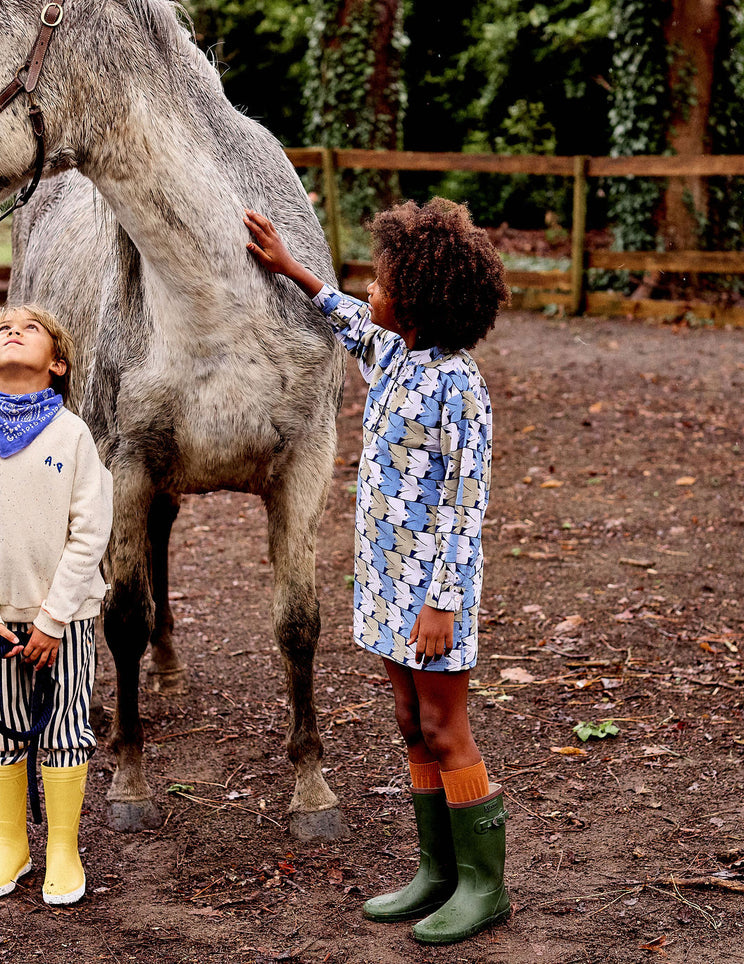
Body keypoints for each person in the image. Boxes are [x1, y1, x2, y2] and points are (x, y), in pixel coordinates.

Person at [244, 199, 511, 944]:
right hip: (386, 581)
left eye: (384, 281)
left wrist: (444, 604)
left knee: (443, 726)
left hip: (432, 594)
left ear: (420, 302)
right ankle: (437, 871)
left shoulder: (459, 388)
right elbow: (345, 319)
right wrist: (291, 269)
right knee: (407, 722)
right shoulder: (396, 354)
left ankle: (484, 886)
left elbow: (466, 507)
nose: (371, 289)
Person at [0, 303, 112, 905]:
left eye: (31, 329)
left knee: (64, 727)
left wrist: (54, 618)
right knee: (2, 728)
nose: (14, 331)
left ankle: (64, 847)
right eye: (3, 331)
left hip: (64, 622)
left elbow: (90, 531)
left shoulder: (74, 436)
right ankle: (10, 844)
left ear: (56, 364)